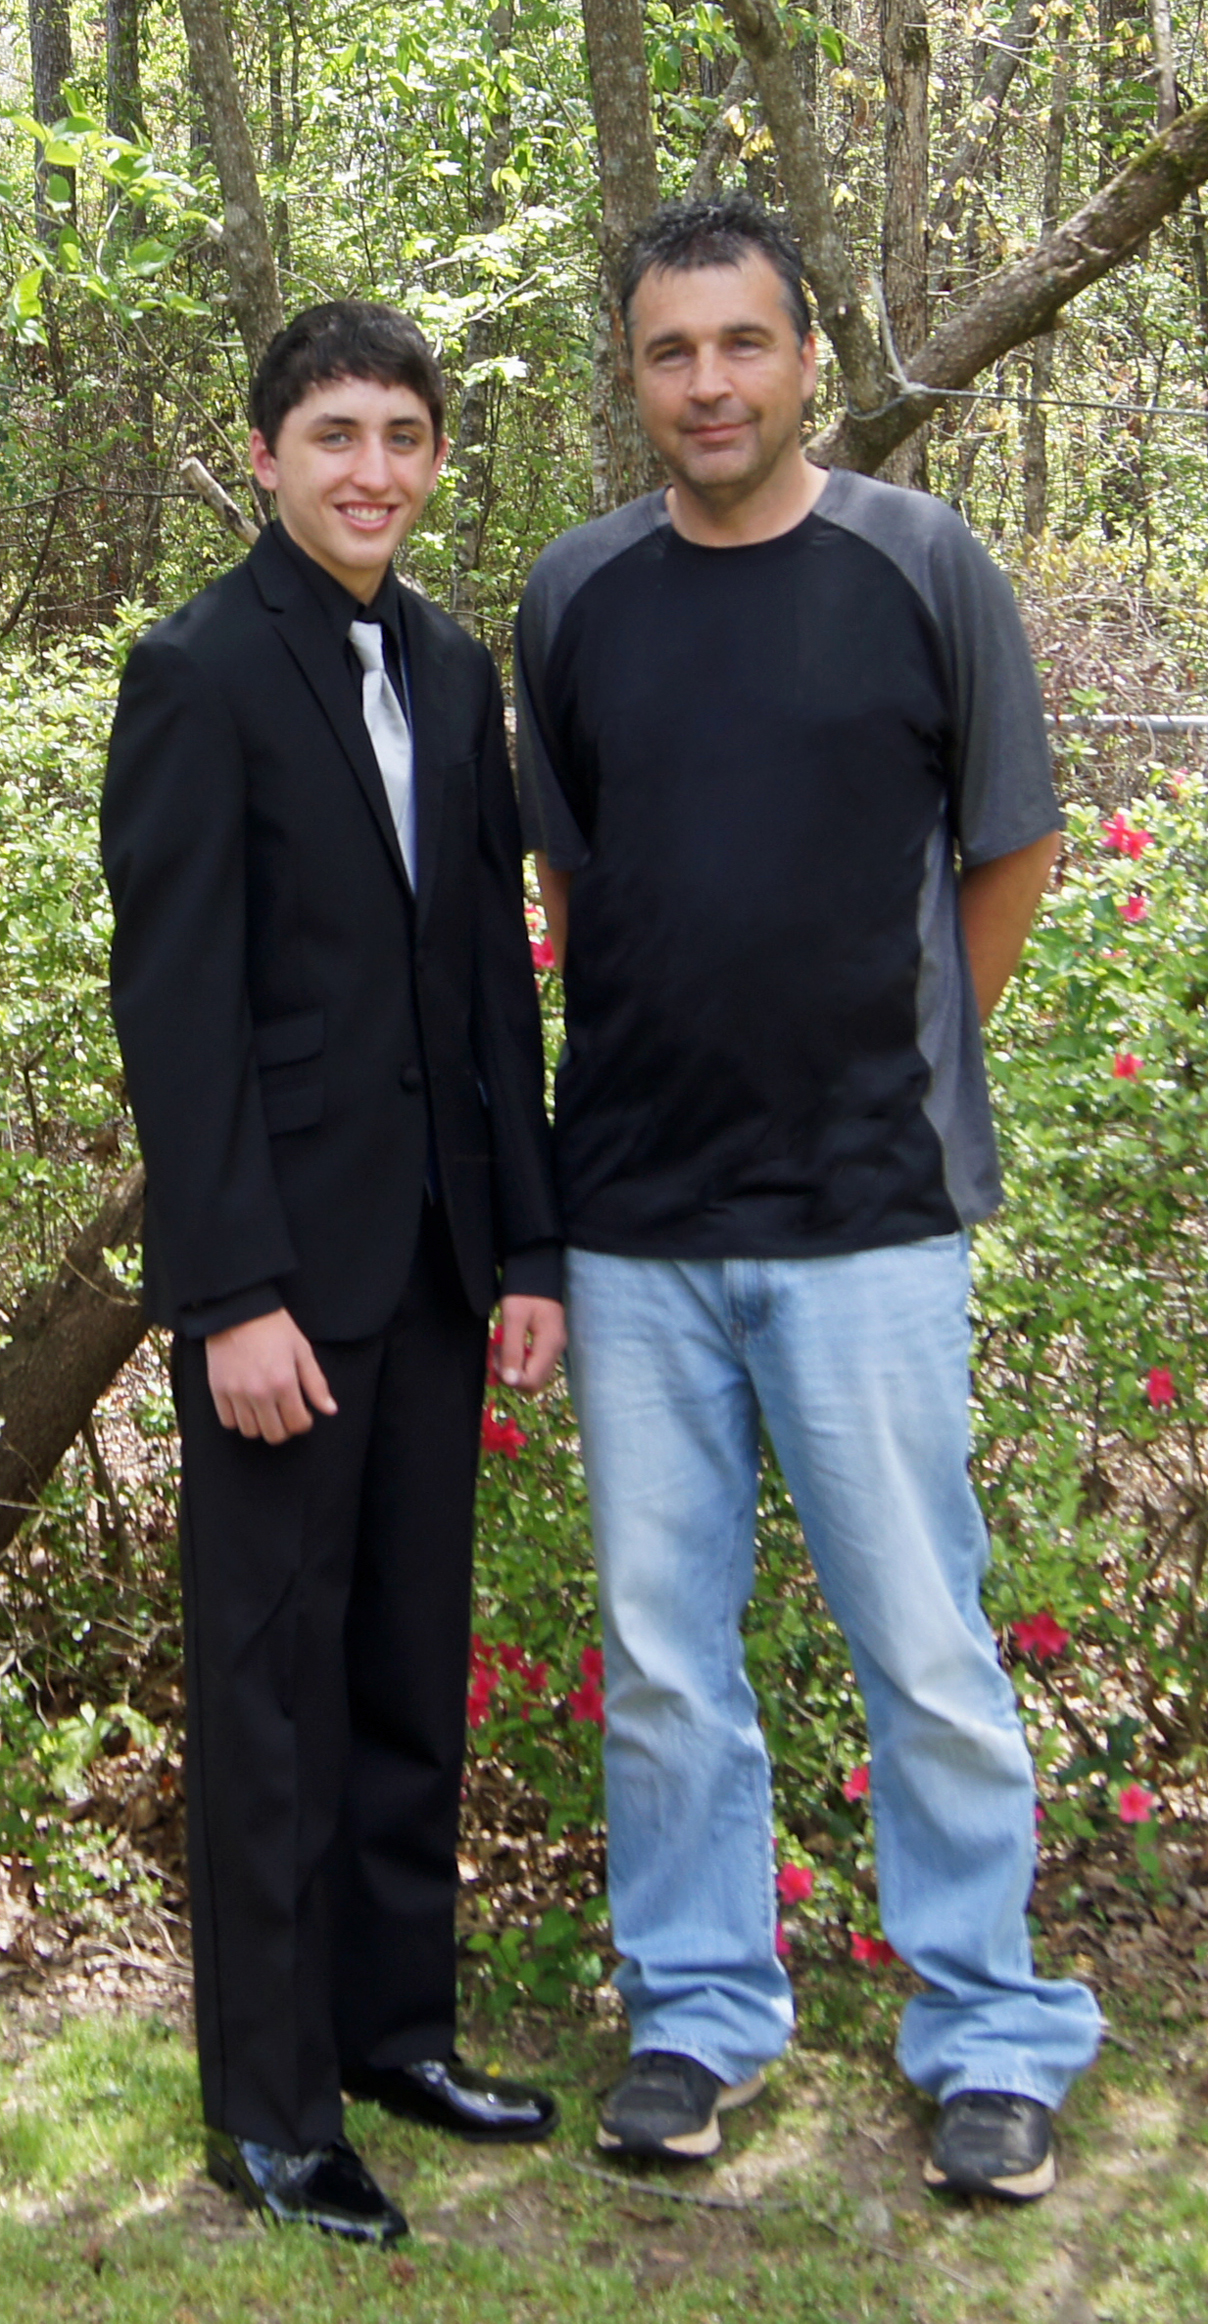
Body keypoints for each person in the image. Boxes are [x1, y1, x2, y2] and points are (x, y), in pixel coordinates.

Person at [516, 197, 1101, 2203]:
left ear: (800, 362)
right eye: (670, 351)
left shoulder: (922, 567)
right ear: (635, 372)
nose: (707, 384)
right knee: (667, 1654)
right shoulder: (572, 592)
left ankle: (991, 2034)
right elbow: (577, 897)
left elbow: (1008, 858)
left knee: (920, 1644)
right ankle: (695, 2012)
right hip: (638, 1218)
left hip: (868, 1216)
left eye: (740, 345)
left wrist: (895, 1048)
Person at [102, 301, 565, 2246]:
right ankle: (272, 2107)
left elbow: (480, 981)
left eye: (403, 435)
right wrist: (227, 1295)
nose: (372, 467)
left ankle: (391, 2028)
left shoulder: (460, 670)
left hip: (443, 1264)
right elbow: (179, 1006)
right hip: (283, 1284)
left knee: (400, 1670)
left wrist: (527, 1244)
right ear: (269, 454)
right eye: (335, 436)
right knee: (273, 1692)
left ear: (436, 457)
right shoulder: (197, 670)